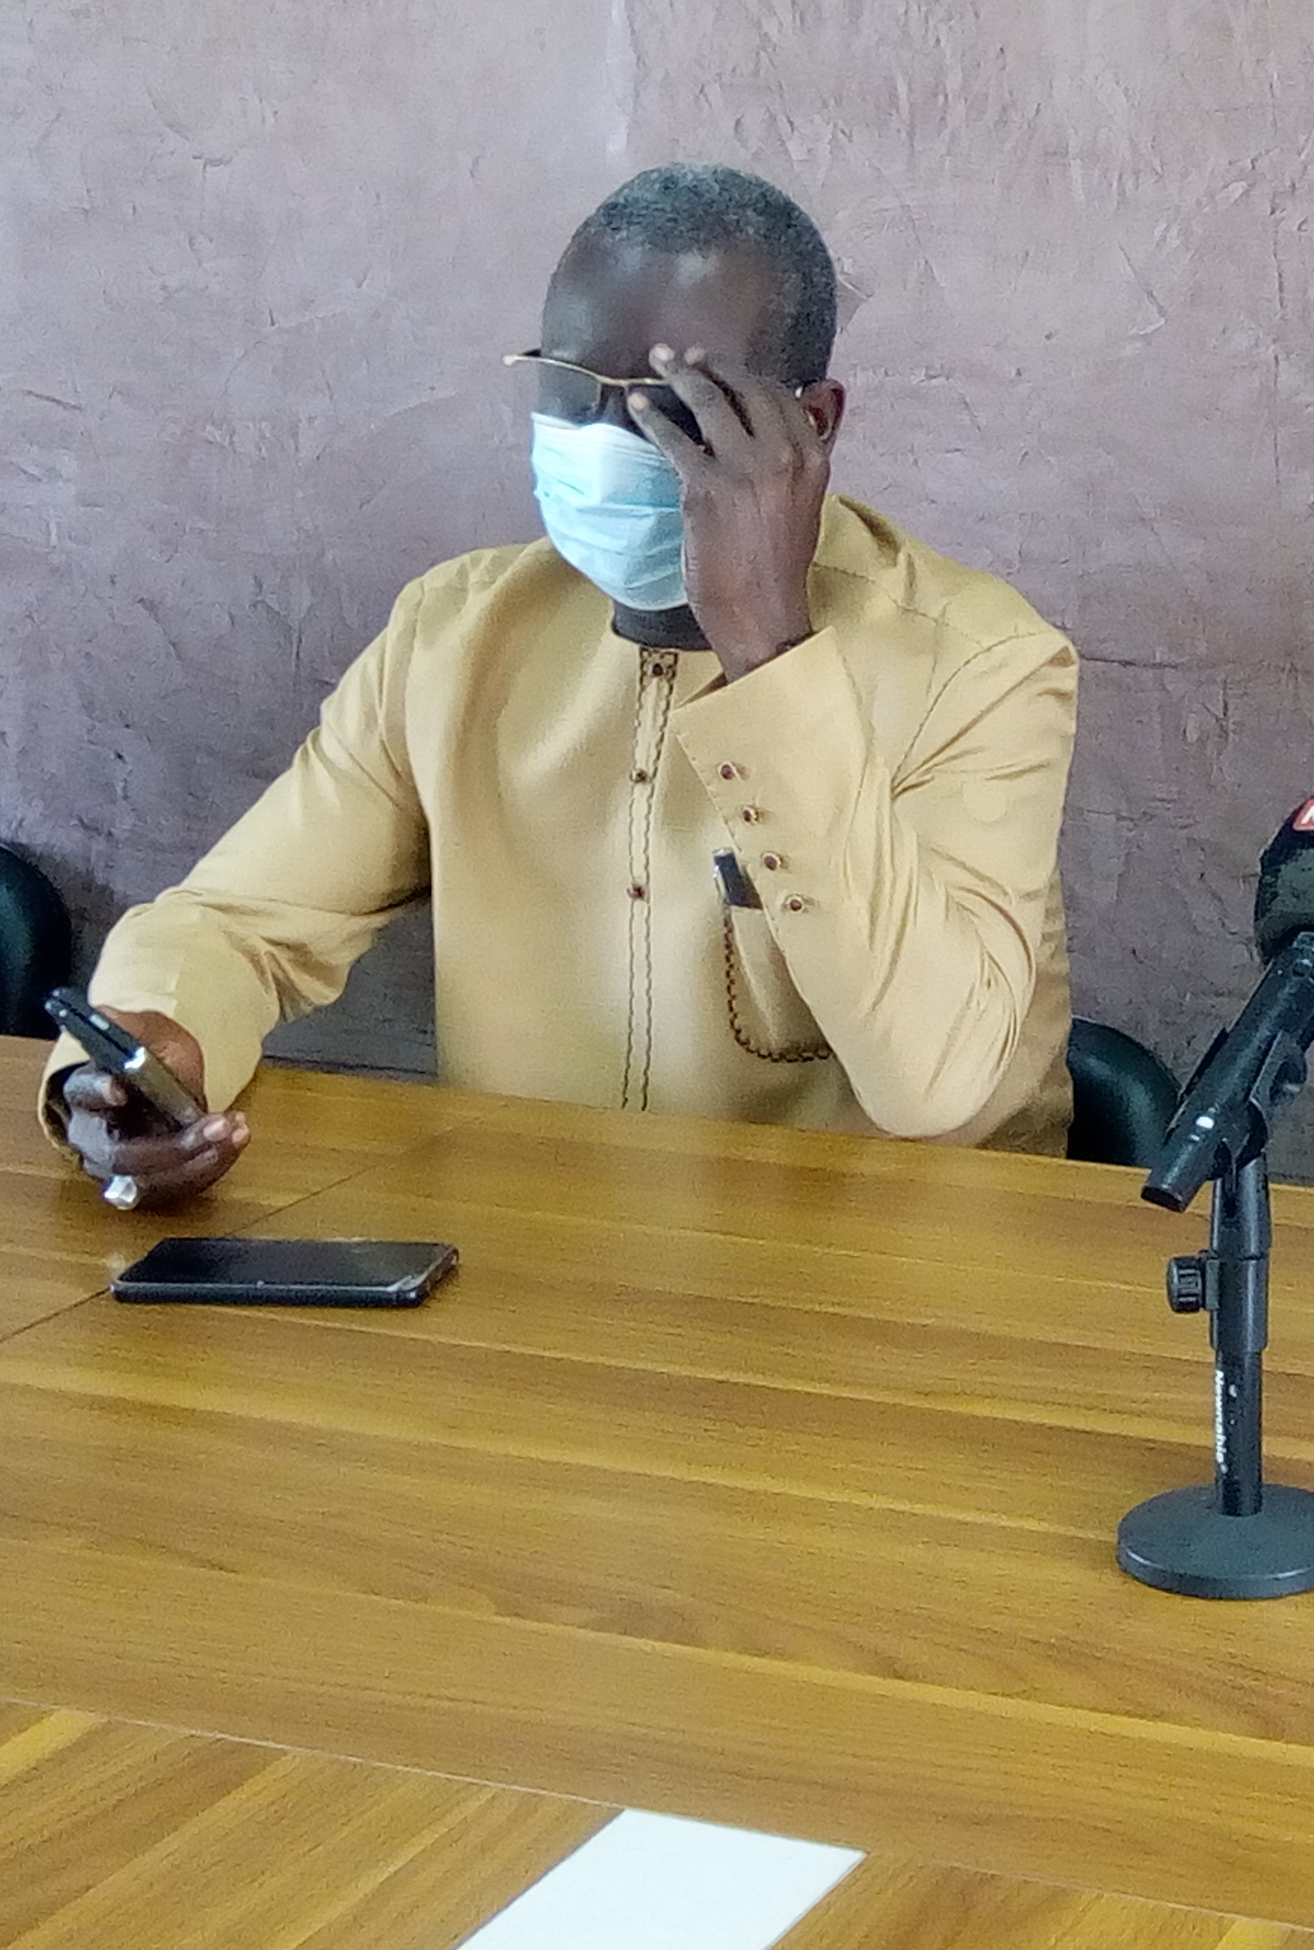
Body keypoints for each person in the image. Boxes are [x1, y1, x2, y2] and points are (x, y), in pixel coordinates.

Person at [53, 165, 1076, 1203]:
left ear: (809, 422)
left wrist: (771, 649)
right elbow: (237, 923)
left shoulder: (977, 663)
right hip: (536, 1243)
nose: (600, 439)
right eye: (568, 387)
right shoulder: (456, 634)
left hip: (884, 1264)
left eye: (670, 404)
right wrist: (150, 1055)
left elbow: (938, 1085)